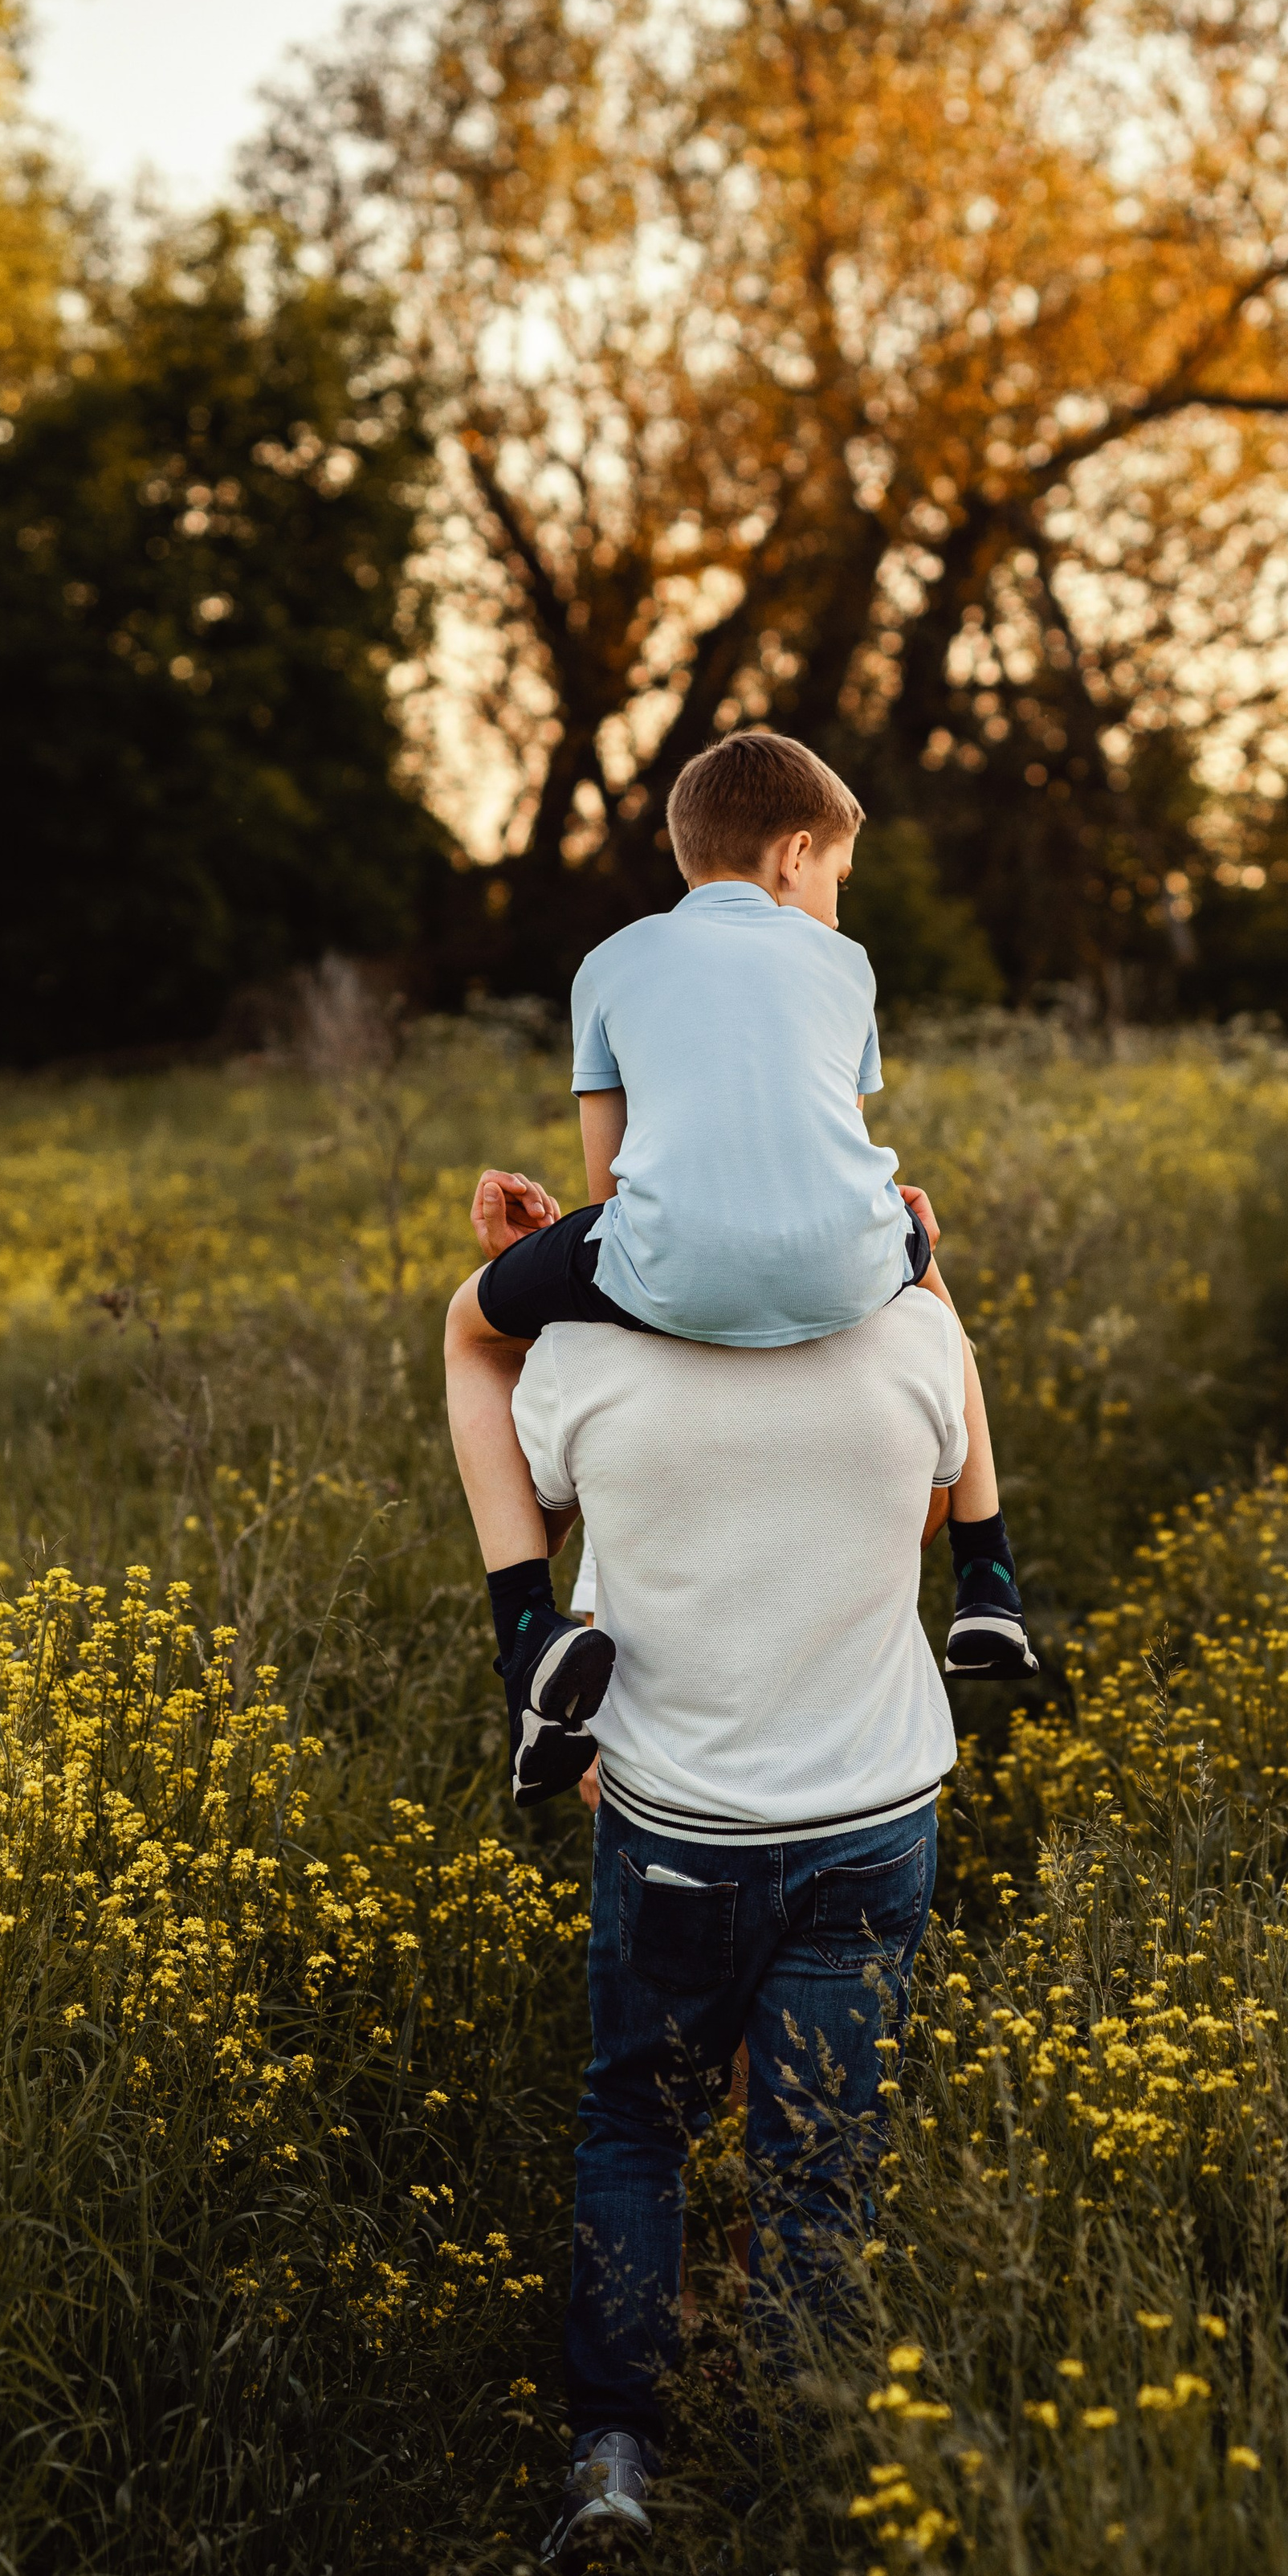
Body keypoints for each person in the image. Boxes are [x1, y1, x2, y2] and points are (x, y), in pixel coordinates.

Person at [442, 727, 1034, 1807]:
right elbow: (836, 1156)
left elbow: (614, 1190)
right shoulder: (845, 965)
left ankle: (525, 1632)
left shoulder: (611, 964)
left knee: (465, 1331)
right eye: (839, 880)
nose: (839, 908)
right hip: (849, 1260)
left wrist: (532, 1253)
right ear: (792, 855)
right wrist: (886, 1241)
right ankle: (989, 1577)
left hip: (667, 1270)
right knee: (938, 1302)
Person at [505, 1276, 967, 2568]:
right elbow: (922, 1519)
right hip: (872, 1821)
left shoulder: (583, 1351)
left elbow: (528, 1505)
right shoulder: (915, 1332)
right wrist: (927, 1279)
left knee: (640, 2119)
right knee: (820, 2152)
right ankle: (800, 2476)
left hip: (681, 1838)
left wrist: (537, 1274)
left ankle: (615, 2457)